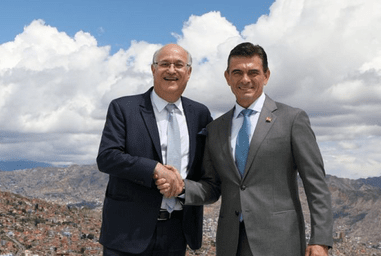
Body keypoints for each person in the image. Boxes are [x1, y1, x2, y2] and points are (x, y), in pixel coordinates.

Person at [160, 42, 333, 256]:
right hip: (231, 242)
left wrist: (321, 240)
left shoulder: (292, 120)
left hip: (280, 242)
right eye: (237, 72)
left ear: (266, 75)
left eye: (253, 72)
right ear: (227, 77)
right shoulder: (215, 129)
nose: (245, 80)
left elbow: (315, 183)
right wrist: (182, 188)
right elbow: (213, 187)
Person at [96, 43, 212, 255]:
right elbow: (107, 157)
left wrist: (182, 187)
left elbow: (206, 172)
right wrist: (154, 169)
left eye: (179, 64)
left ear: (189, 72)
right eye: (164, 64)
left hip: (177, 232)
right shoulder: (123, 108)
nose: (171, 70)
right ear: (153, 69)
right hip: (127, 233)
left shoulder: (200, 115)